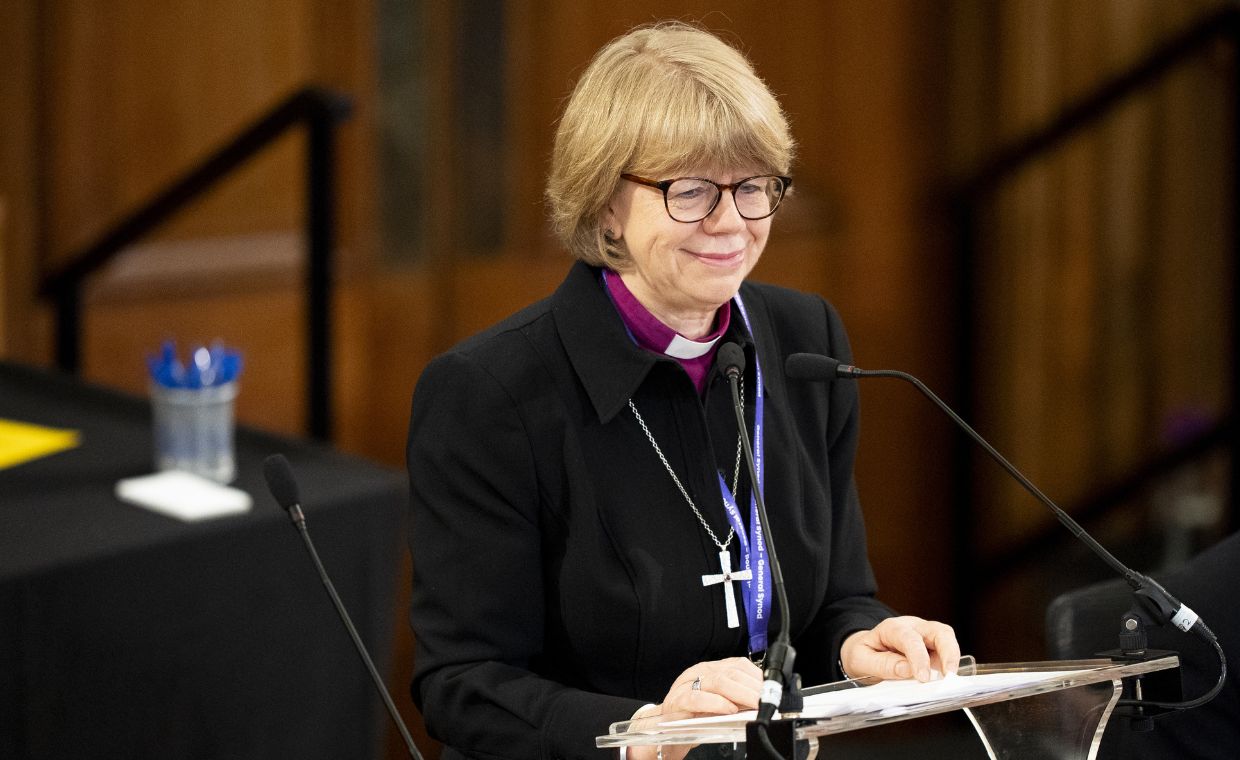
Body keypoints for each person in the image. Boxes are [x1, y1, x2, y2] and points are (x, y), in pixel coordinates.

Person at [406, 21, 960, 760]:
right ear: (606, 202)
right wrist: (638, 733)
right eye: (691, 190)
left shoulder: (805, 341)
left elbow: (832, 599)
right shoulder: (489, 394)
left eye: (754, 186)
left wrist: (863, 640)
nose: (731, 221)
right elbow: (463, 682)